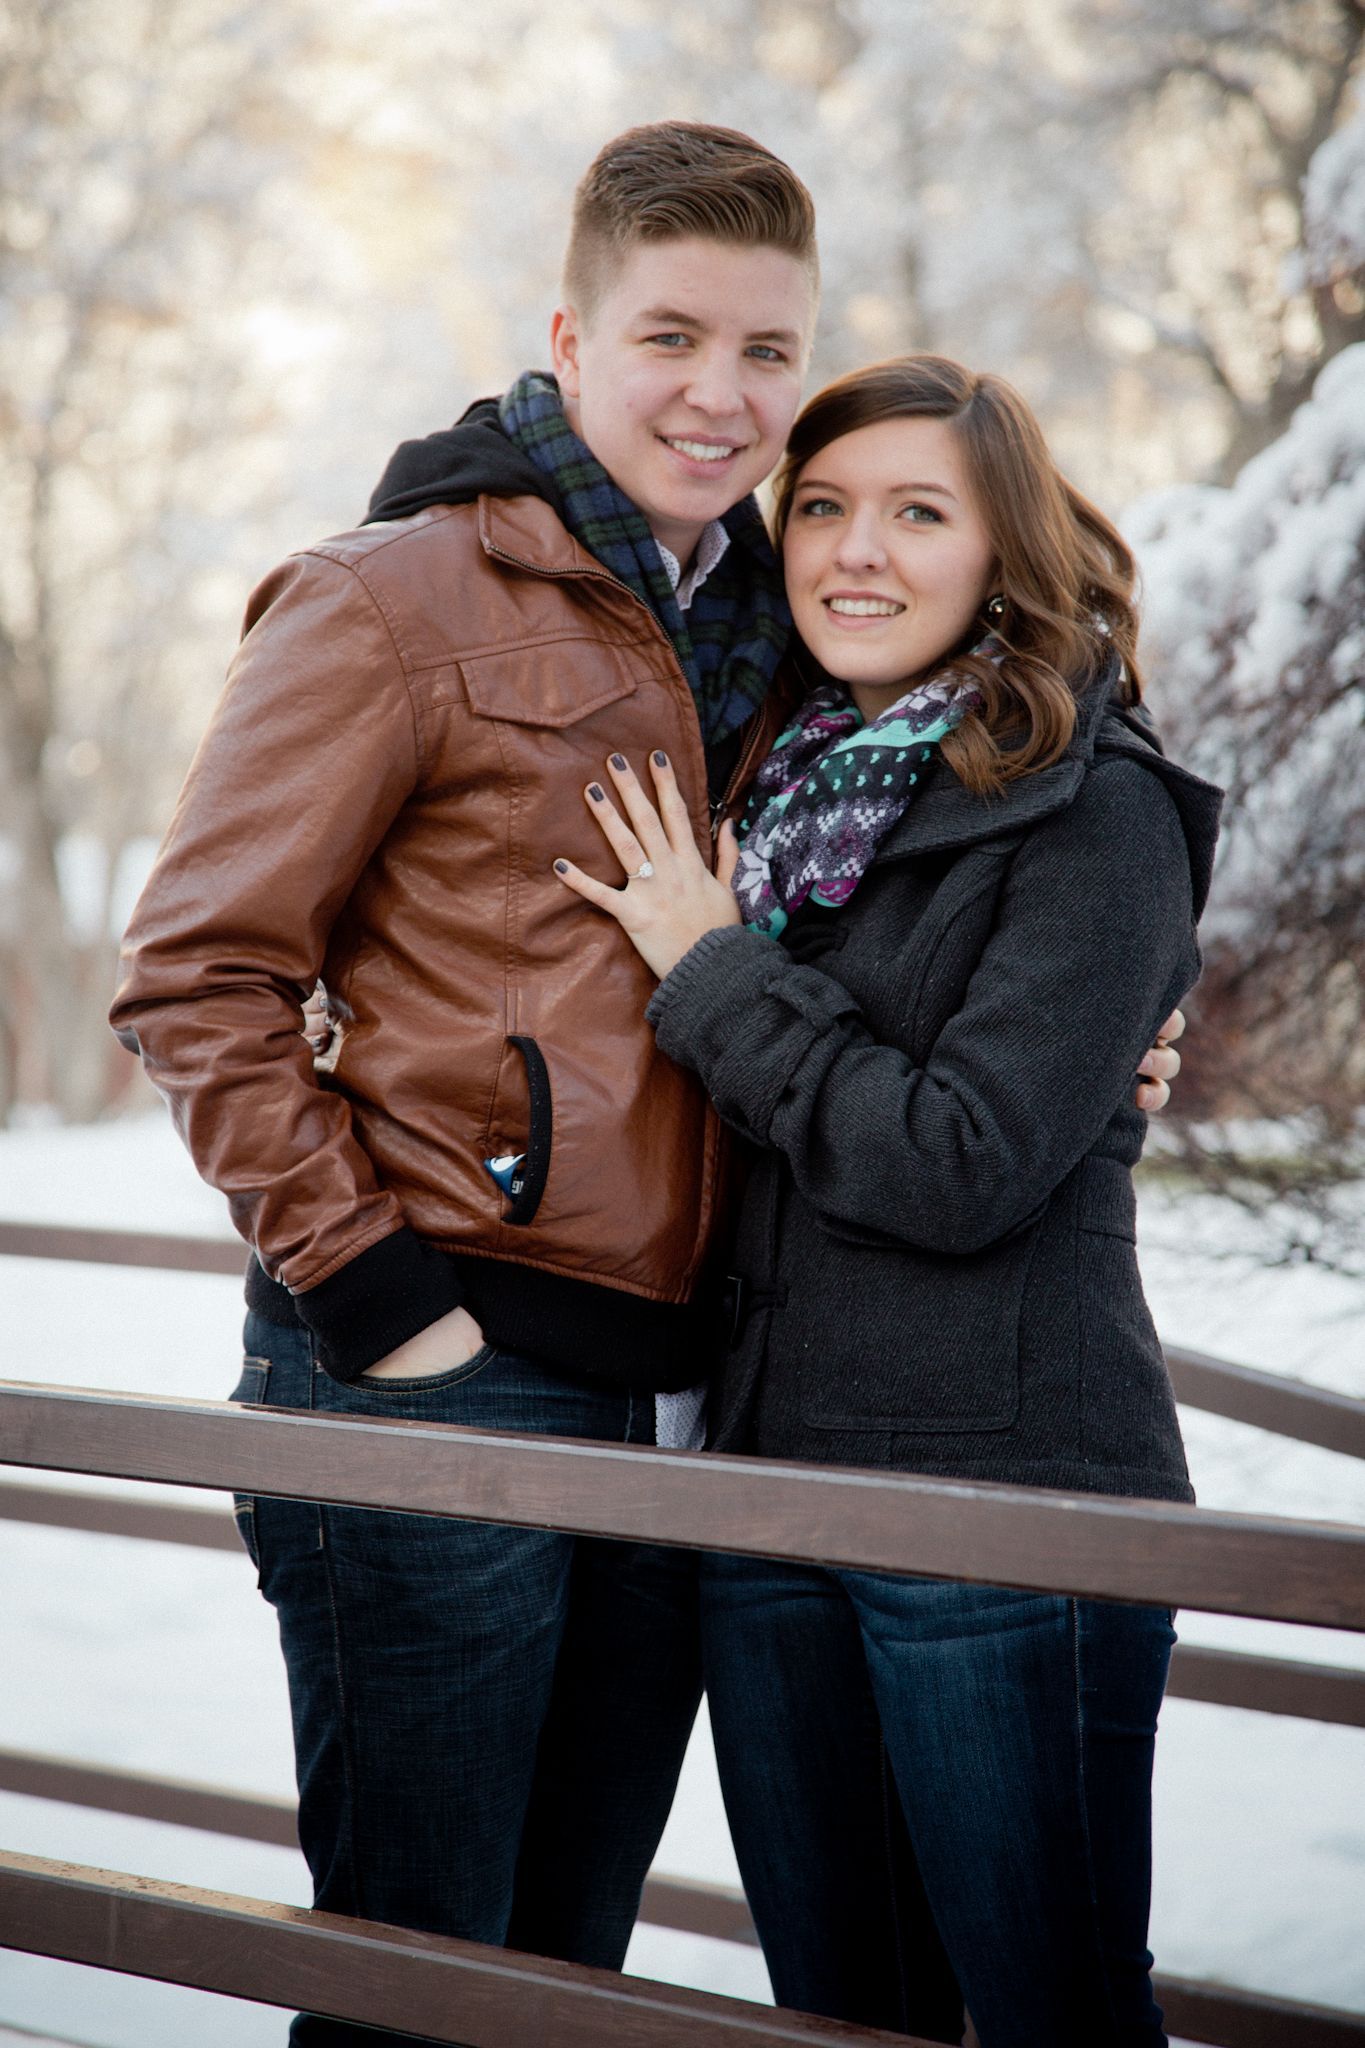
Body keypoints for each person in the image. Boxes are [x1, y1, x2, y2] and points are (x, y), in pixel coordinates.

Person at [111, 116, 1182, 2039]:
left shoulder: (777, 635)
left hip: (684, 1397)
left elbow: (907, 942)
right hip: (444, 1366)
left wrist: (1107, 1038)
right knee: (418, 1965)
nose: (722, 394)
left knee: (566, 1975)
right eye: (672, 337)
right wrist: (373, 1299)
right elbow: (197, 973)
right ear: (569, 338)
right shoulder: (392, 599)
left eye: (768, 352)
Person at [553, 353, 1221, 2047]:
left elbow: (955, 1159)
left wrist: (711, 969)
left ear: (1005, 551)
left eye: (918, 513)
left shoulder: (1097, 812)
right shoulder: (780, 800)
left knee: (1043, 2014)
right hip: (773, 1510)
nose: (854, 551)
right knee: (844, 2019)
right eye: (826, 509)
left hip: (1000, 1525)